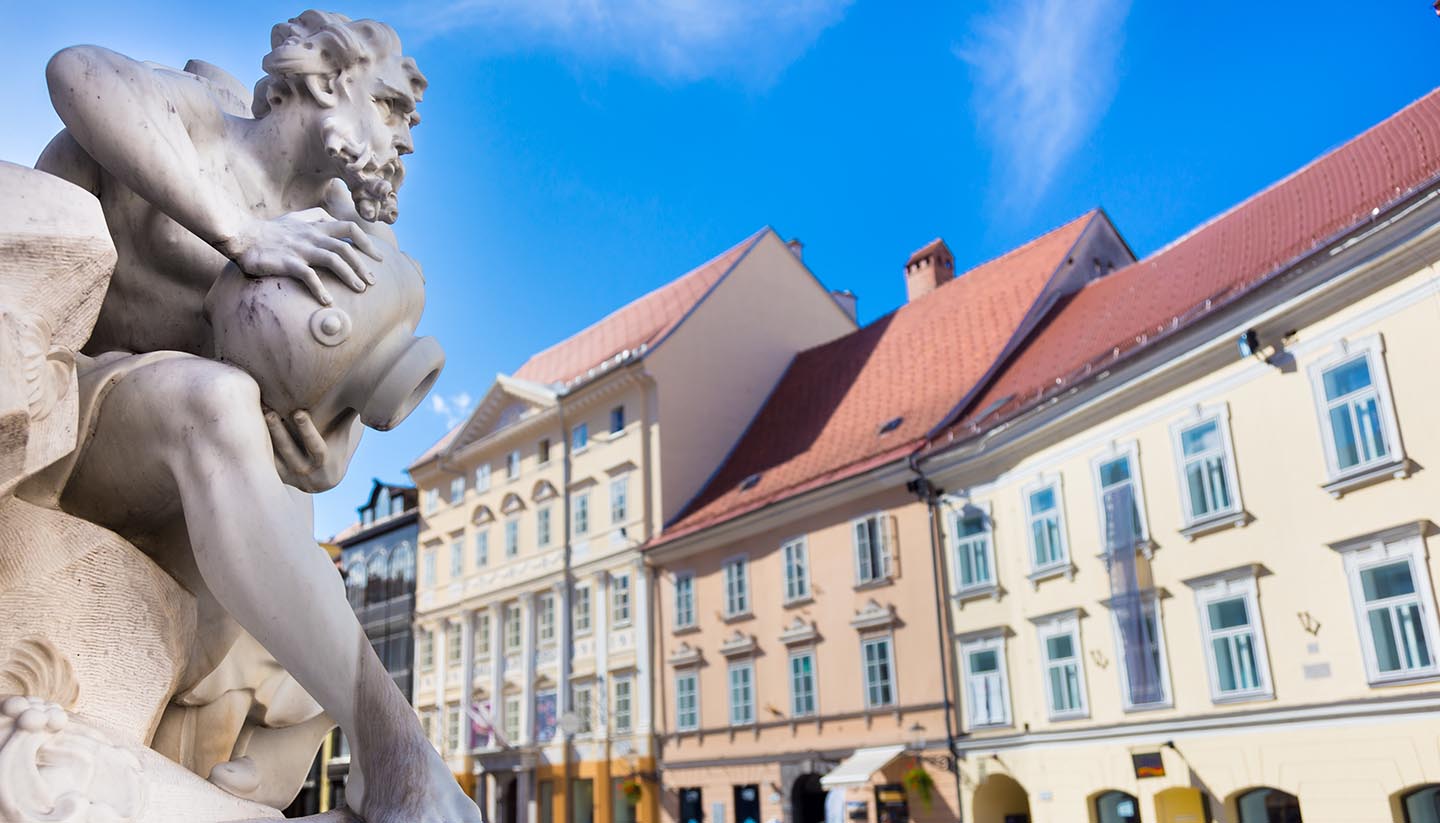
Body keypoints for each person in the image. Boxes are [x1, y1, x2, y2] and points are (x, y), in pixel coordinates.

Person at [31, 11, 479, 823]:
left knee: (307, 553)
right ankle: (395, 747)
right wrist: (243, 234)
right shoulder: (204, 123)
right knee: (213, 399)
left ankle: (322, 751)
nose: (407, 139)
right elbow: (74, 72)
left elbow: (318, 421)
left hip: (185, 486)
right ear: (323, 81)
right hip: (71, 422)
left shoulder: (343, 234)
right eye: (391, 106)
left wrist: (327, 456)